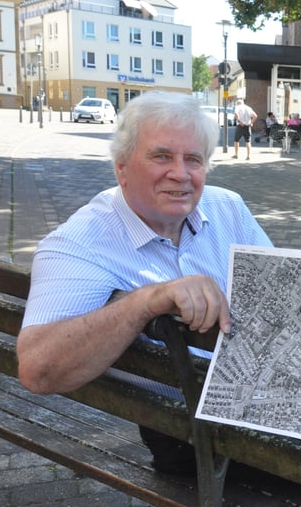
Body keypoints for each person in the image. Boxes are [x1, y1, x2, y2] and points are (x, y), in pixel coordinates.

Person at [16, 91, 273, 474]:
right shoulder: (81, 242)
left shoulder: (228, 209)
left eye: (194, 160)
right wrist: (147, 301)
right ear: (121, 167)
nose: (181, 174)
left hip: (263, 403)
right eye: (161, 156)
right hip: (189, 434)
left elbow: (280, 295)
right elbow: (38, 369)